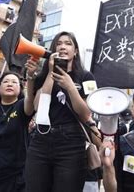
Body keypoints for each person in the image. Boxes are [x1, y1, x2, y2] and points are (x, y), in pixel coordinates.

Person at [25, 31, 98, 192]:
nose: (63, 47)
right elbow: (37, 107)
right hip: (41, 141)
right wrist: (51, 73)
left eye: (68, 43)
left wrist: (71, 87)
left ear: (76, 51)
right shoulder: (43, 75)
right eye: (58, 43)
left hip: (71, 143)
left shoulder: (86, 77)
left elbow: (86, 114)